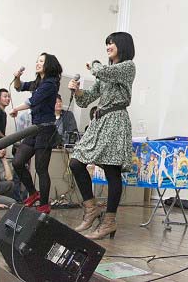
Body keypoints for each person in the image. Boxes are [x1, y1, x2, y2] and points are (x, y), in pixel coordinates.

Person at [67, 32, 136, 240]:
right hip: (100, 121)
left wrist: (94, 64)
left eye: (111, 43)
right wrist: (77, 91)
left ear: (123, 45)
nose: (108, 46)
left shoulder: (127, 67)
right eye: (107, 43)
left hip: (116, 120)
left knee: (112, 171)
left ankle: (109, 222)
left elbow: (103, 71)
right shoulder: (105, 73)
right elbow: (86, 99)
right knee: (76, 162)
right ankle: (91, 209)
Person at [10, 53, 62, 214]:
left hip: (46, 130)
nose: (38, 63)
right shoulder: (38, 82)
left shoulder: (50, 84)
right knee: (17, 162)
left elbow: (33, 101)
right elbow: (19, 87)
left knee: (41, 169)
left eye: (41, 61)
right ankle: (33, 193)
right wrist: (17, 77)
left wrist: (16, 109)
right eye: (37, 61)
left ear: (48, 65)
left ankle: (44, 204)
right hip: (34, 129)